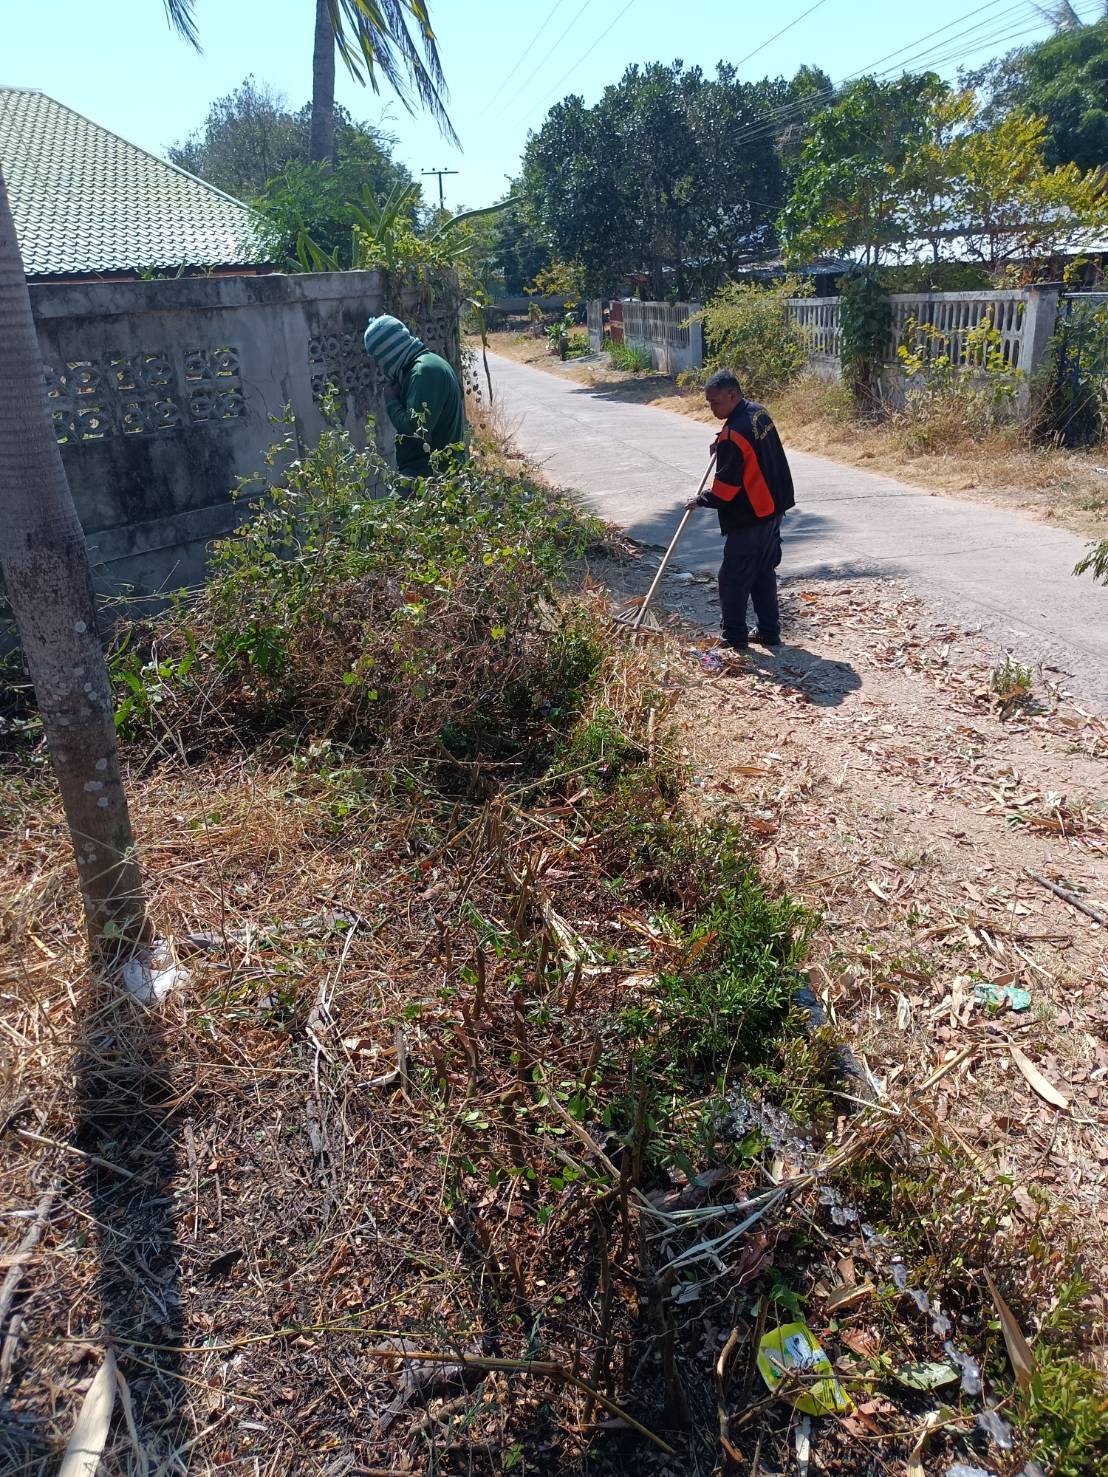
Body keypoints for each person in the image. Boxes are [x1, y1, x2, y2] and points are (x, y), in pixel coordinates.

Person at [685, 368, 795, 649]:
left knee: (732, 578)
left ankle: (734, 637)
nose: (712, 408)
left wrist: (701, 500)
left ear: (732, 395)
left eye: (715, 402)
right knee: (762, 573)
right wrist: (722, 442)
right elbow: (753, 447)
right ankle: (769, 632)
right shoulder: (757, 412)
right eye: (709, 402)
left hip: (751, 516)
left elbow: (725, 490)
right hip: (775, 508)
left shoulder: (733, 435)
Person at [362, 314, 466, 480]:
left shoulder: (423, 372)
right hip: (435, 474)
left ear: (387, 354)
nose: (380, 367)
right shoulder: (425, 365)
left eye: (378, 359)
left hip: (433, 478)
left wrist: (391, 402)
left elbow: (416, 431)